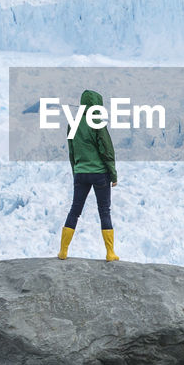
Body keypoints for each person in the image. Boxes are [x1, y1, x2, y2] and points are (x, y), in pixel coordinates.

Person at [57, 89, 119, 261]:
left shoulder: (73, 123)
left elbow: (72, 151)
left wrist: (75, 171)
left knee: (74, 211)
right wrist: (113, 175)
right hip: (99, 174)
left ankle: (63, 251)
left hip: (81, 173)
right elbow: (106, 151)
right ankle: (110, 252)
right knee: (104, 212)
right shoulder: (97, 122)